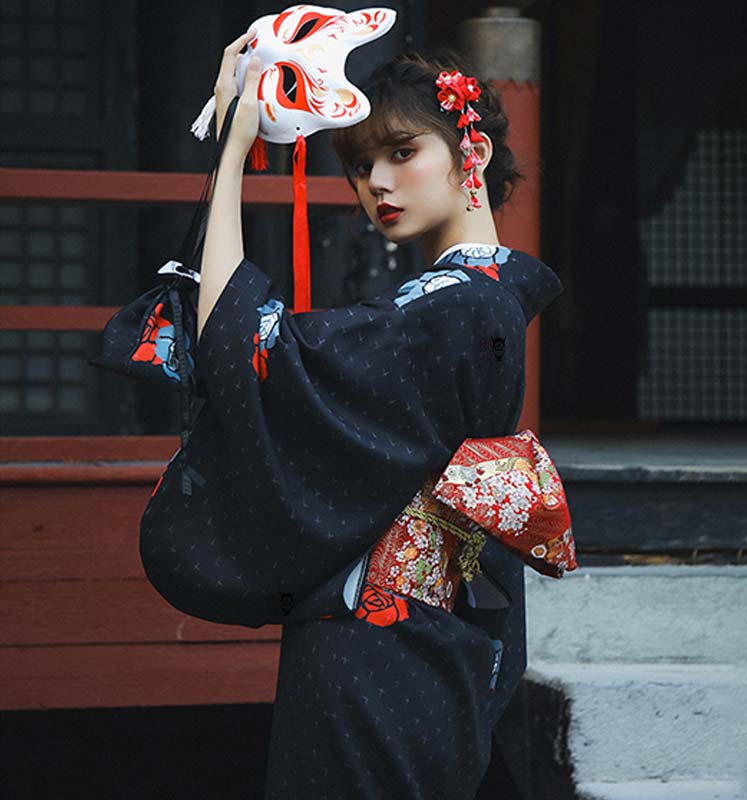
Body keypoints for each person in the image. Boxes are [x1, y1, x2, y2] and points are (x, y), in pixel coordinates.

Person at [195, 29, 567, 800]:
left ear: (474, 156)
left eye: (402, 152)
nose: (376, 181)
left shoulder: (454, 306)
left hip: (377, 654)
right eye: (360, 165)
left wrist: (230, 156)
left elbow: (241, 348)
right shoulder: (480, 299)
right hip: (430, 643)